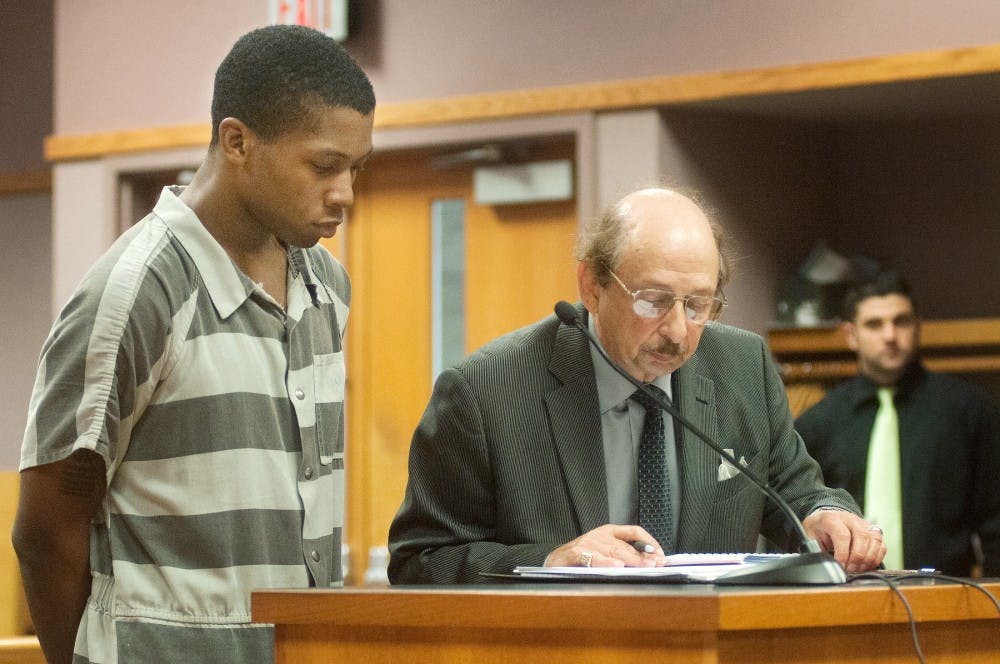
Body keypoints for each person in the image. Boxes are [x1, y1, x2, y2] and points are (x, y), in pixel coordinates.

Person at [12, 25, 375, 664]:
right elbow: (45, 533)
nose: (345, 192)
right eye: (324, 166)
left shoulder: (328, 288)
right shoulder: (134, 293)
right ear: (237, 142)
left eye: (355, 168)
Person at [387, 186, 885, 584]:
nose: (677, 331)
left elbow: (794, 489)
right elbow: (421, 560)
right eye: (653, 301)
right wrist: (550, 561)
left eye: (698, 305)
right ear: (592, 286)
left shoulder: (740, 366)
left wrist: (824, 517)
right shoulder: (484, 392)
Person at [796, 272, 1000, 576]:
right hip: (844, 596)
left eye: (901, 321)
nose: (890, 335)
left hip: (948, 598)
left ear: (917, 325)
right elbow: (796, 521)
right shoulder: (818, 423)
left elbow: (995, 524)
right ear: (851, 335)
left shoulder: (969, 412)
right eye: (874, 324)